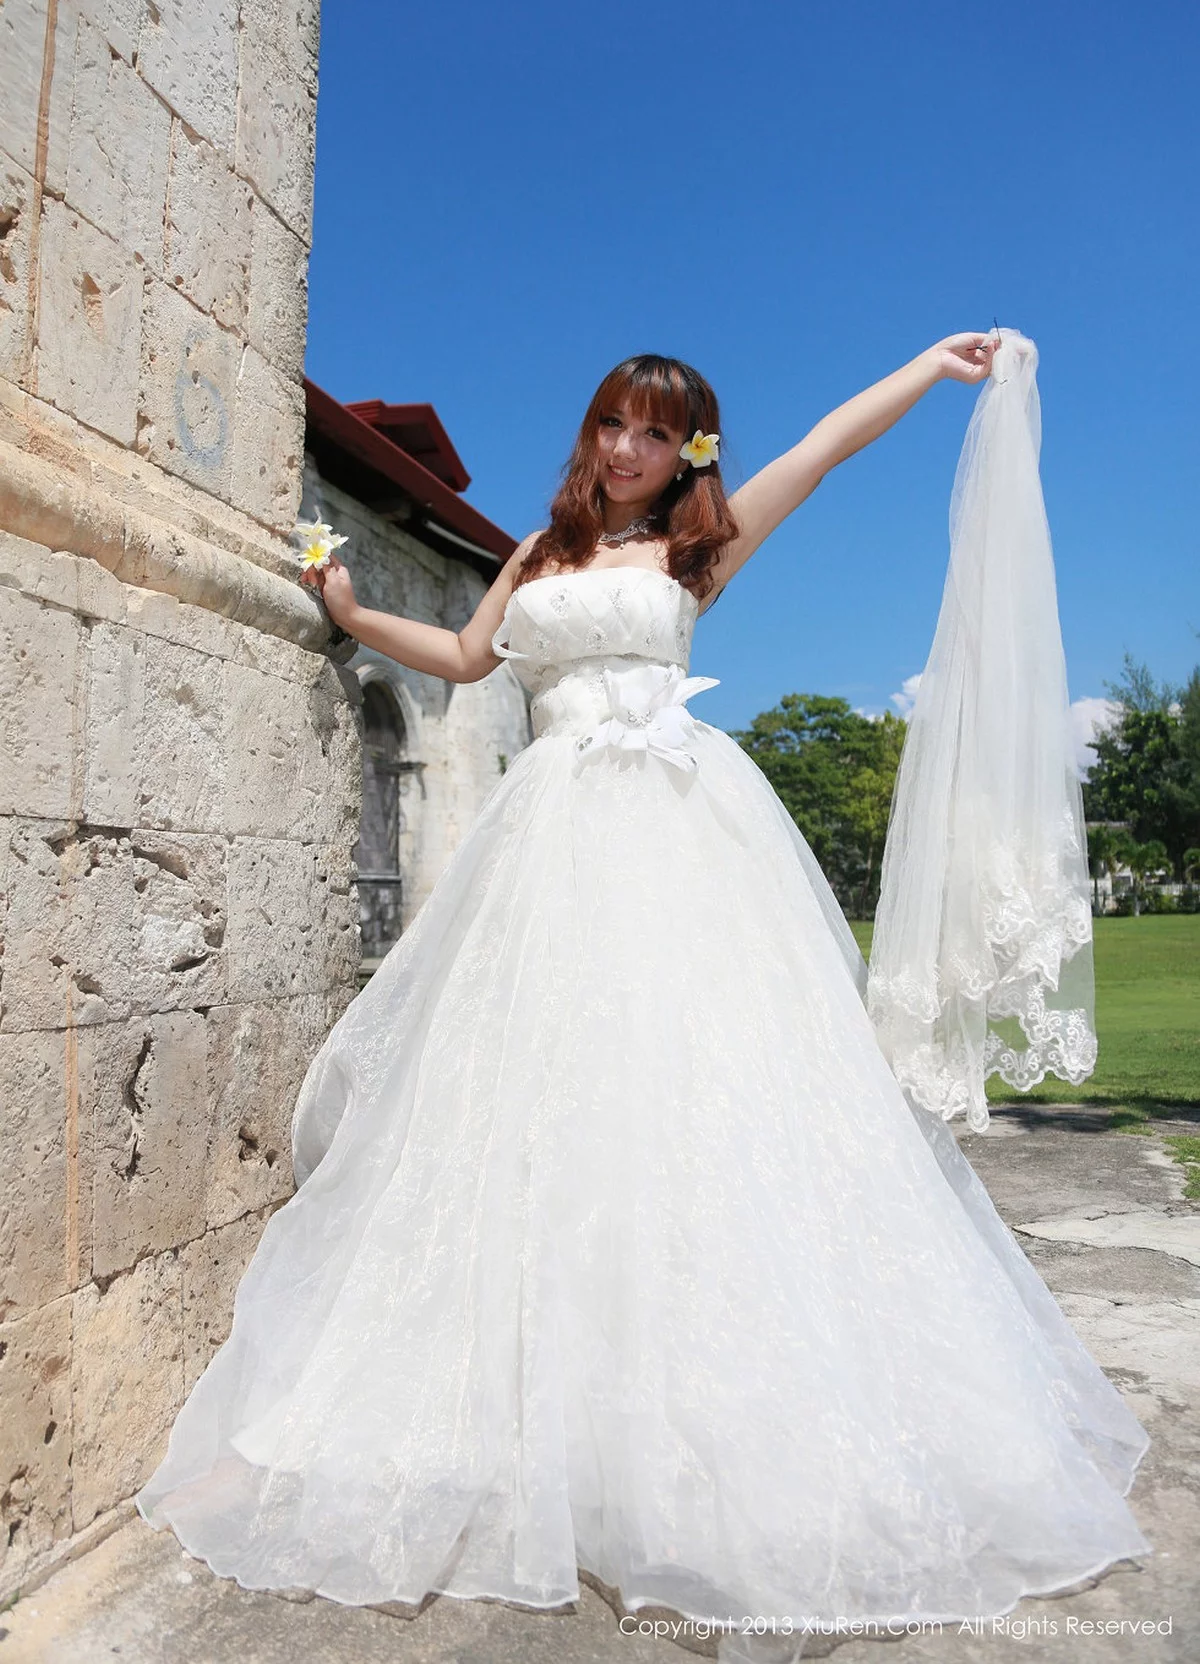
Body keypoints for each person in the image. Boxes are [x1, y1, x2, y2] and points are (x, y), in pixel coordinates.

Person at [135, 337, 1151, 1659]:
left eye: (657, 434)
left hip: (681, 835)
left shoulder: (695, 552)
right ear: (593, 430)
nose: (628, 449)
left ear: (688, 455)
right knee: (525, 1109)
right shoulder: (535, 554)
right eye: (614, 423)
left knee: (696, 1099)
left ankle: (703, 1421)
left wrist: (923, 368)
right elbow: (462, 658)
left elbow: (823, 450)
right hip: (546, 845)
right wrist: (349, 611)